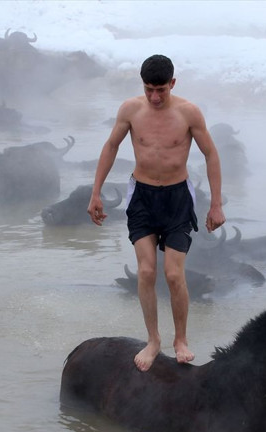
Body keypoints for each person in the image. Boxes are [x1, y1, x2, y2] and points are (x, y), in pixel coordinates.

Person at [87, 54, 225, 372]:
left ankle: (181, 340)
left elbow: (211, 154)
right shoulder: (131, 110)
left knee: (174, 274)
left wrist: (216, 203)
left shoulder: (188, 112)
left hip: (178, 199)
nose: (155, 97)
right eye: (149, 89)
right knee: (147, 271)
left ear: (172, 84)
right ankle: (153, 340)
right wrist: (96, 192)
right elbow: (111, 147)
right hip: (142, 198)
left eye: (161, 89)